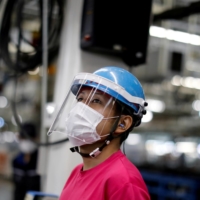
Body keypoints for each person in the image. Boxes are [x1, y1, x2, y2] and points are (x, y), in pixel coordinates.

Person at [48, 66, 150, 200]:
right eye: (80, 99)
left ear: (122, 123)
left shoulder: (124, 182)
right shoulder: (76, 172)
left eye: (96, 101)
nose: (81, 108)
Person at [12, 122, 40, 200]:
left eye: (30, 138)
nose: (27, 141)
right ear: (19, 138)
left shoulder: (41, 161)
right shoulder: (15, 161)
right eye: (24, 138)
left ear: (36, 138)